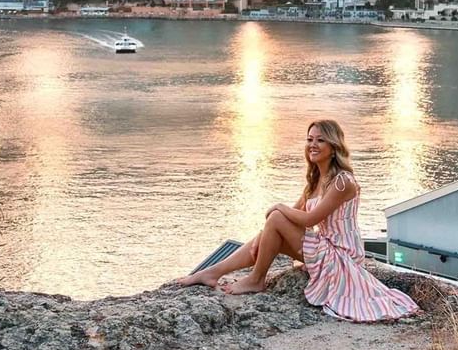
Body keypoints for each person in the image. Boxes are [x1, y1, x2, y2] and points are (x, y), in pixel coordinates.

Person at [177, 119, 419, 322]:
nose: (313, 144)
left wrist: (277, 208)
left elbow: (310, 218)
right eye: (310, 139)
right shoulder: (315, 181)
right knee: (273, 225)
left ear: (334, 147)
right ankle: (211, 273)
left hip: (340, 256)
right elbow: (294, 220)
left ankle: (256, 279)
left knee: (276, 217)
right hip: (322, 250)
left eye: (320, 140)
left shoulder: (343, 182)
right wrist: (262, 238)